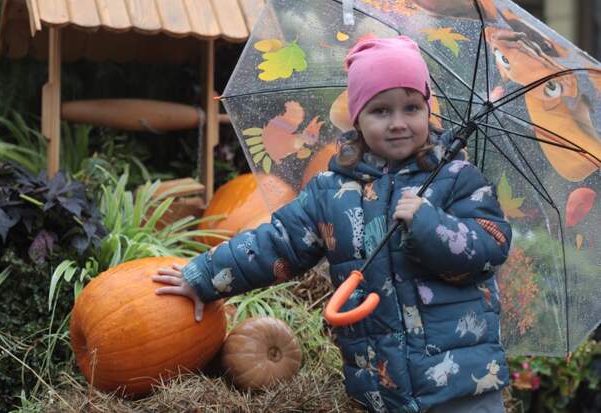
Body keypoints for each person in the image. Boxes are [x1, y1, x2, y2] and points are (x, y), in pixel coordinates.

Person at [152, 36, 512, 413]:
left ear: (427, 109)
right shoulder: (332, 191)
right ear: (357, 117)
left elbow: (490, 245)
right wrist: (203, 276)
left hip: (462, 386)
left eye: (411, 107)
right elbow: (277, 243)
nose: (399, 123)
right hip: (381, 391)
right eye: (381, 111)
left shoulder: (456, 178)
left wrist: (429, 223)